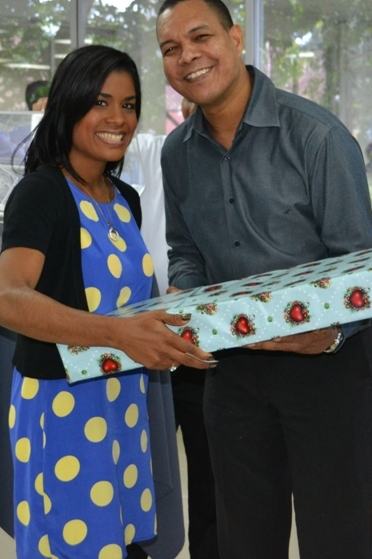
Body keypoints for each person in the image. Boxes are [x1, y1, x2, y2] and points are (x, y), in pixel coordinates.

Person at [157, 0, 372, 559]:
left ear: (234, 39)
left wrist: (329, 332)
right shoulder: (177, 152)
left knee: (335, 536)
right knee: (243, 535)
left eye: (201, 37)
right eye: (170, 48)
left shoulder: (316, 136)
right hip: (233, 368)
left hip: (328, 364)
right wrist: (184, 291)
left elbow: (361, 264)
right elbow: (185, 249)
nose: (187, 56)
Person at [0, 45, 214, 559]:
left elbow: (129, 303)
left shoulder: (124, 197)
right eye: (101, 102)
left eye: (129, 105)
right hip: (63, 406)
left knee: (118, 538)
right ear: (68, 106)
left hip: (123, 401)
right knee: (72, 539)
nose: (118, 118)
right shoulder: (42, 194)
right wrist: (118, 334)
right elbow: (5, 300)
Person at [119, 97, 218, 559]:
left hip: (210, 347)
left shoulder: (247, 171)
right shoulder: (160, 151)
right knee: (141, 467)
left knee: (212, 477)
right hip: (143, 343)